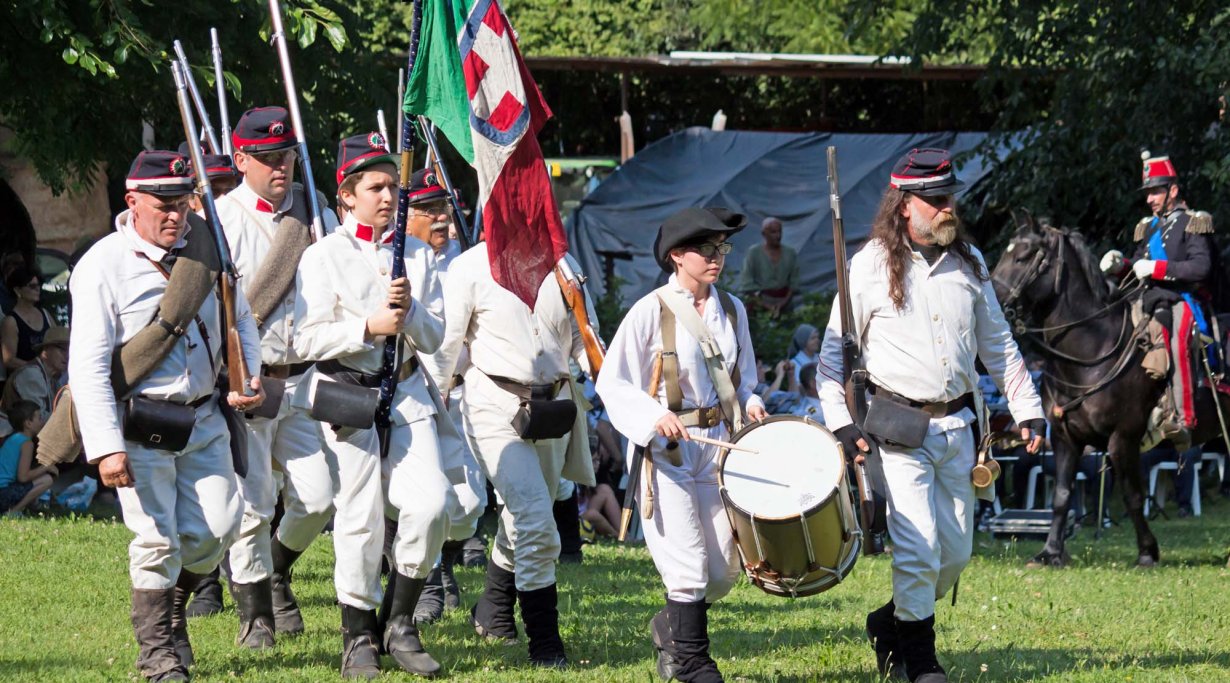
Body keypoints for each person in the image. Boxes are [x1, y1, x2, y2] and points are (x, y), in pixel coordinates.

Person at [817, 149, 1045, 683]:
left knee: (956, 553)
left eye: (950, 198)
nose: (948, 209)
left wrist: (1028, 409)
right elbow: (832, 365)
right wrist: (843, 426)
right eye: (936, 200)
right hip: (897, 431)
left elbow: (1001, 347)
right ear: (904, 206)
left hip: (961, 430)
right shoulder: (868, 266)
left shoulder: (971, 262)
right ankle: (920, 661)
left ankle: (889, 623)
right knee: (918, 546)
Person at [69, 149, 264, 681]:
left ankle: (172, 612)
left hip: (203, 418)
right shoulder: (101, 266)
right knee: (157, 538)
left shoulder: (206, 249)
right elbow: (86, 366)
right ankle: (157, 652)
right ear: (132, 202)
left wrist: (250, 377)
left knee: (217, 529)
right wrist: (106, 448)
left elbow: (240, 318)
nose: (175, 214)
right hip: (139, 422)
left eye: (182, 202)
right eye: (163, 204)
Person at [293, 137, 457, 678]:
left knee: (433, 504)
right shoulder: (323, 256)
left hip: (406, 392)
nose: (388, 196)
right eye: (376, 187)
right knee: (359, 519)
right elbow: (305, 341)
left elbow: (436, 338)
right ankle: (357, 633)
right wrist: (367, 326)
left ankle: (400, 621)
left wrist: (410, 315)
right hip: (350, 395)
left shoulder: (416, 255)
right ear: (347, 196)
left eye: (392, 185)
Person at [597, 206, 768, 683]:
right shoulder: (651, 309)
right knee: (688, 563)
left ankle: (671, 625)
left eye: (722, 248)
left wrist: (751, 401)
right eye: (708, 249)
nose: (718, 257)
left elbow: (743, 378)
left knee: (724, 567)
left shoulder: (732, 309)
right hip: (668, 449)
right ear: (676, 255)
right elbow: (613, 382)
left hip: (717, 444)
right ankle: (691, 662)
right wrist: (654, 416)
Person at [429, 219, 597, 670]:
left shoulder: (564, 264)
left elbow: (585, 339)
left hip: (554, 409)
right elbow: (445, 348)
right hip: (493, 406)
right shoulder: (468, 268)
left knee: (525, 514)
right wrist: (433, 404)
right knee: (538, 519)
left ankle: (493, 608)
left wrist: (614, 386)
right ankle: (545, 642)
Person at [208, 106, 340, 645]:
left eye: (284, 156)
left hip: (306, 376)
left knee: (318, 496)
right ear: (241, 160)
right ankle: (256, 613)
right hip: (251, 377)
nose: (277, 167)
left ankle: (277, 568)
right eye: (265, 158)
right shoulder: (221, 219)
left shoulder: (316, 216)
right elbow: (216, 305)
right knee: (255, 501)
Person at [1099, 154, 1219, 447]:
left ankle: (1183, 419)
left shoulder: (1194, 223)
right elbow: (1138, 266)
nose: (1150, 198)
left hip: (1183, 299)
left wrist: (1158, 268)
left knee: (1178, 340)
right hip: (1149, 298)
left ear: (1173, 191)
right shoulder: (1150, 228)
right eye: (1148, 193)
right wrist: (1121, 265)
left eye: (1156, 191)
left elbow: (1201, 268)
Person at [0, 400, 55, 516]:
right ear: (28, 424)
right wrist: (46, 467)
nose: (42, 422)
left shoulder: (14, 438)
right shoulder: (27, 444)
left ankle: (26, 507)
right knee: (47, 479)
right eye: (39, 418)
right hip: (3, 494)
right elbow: (23, 477)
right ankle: (13, 512)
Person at [736, 216, 799, 316]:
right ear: (764, 234)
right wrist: (764, 304)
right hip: (760, 302)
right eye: (773, 232)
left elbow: (794, 281)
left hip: (785, 303)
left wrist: (783, 302)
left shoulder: (790, 253)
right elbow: (747, 282)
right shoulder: (754, 253)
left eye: (779, 232)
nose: (778, 236)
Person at [2, 325, 68, 415]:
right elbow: (39, 420)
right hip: (10, 428)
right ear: (46, 350)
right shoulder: (31, 374)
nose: (67, 356)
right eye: (63, 349)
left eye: (70, 350)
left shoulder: (53, 379)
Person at [1, 265, 53, 372]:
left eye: (39, 285)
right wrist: (38, 367)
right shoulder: (11, 322)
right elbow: (9, 360)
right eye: (32, 286)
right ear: (17, 290)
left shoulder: (45, 314)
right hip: (24, 382)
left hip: (47, 381)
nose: (37, 289)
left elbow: (57, 341)